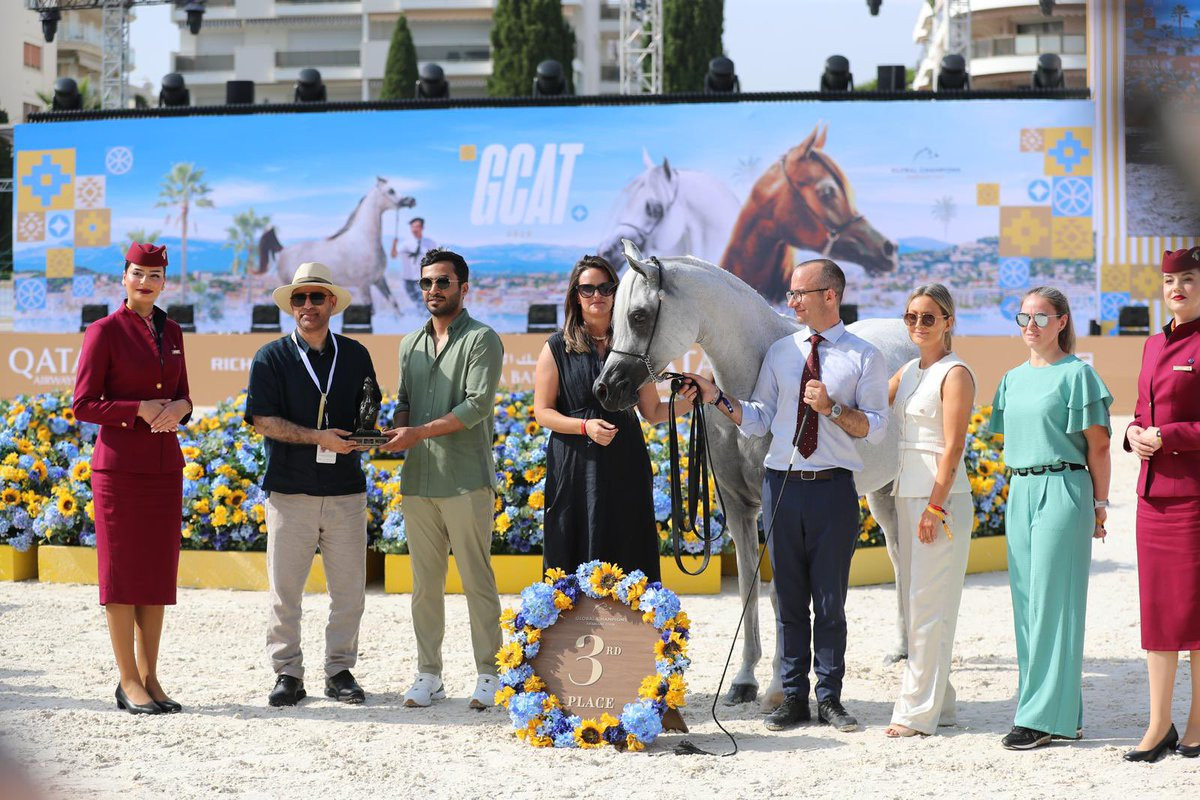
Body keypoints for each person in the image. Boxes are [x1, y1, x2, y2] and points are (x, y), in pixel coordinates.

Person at [685, 258, 889, 733]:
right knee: (790, 600)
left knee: (830, 603)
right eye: (791, 293)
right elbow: (759, 418)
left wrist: (833, 409)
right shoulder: (781, 352)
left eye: (800, 293)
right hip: (781, 486)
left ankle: (830, 697)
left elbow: (877, 428)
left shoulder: (864, 356)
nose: (792, 302)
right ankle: (794, 697)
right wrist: (716, 397)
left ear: (830, 295)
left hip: (834, 488)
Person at [245, 262, 378, 707]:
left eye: (316, 297)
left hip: (345, 491)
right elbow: (263, 421)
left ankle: (339, 671)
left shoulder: (355, 354)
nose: (307, 305)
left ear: (332, 303)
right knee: (285, 593)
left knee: (349, 593)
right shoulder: (270, 357)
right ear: (291, 306)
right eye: (299, 298)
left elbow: (368, 410)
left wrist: (367, 436)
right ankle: (288, 673)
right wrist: (319, 437)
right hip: (290, 492)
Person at [380, 248, 505, 710]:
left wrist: (417, 433)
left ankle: (490, 673)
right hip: (418, 480)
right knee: (424, 586)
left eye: (443, 282)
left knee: (477, 580)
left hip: (466, 479)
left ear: (463, 288)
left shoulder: (482, 340)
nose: (433, 290)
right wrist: (393, 432)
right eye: (426, 282)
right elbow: (405, 401)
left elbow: (476, 406)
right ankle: (429, 674)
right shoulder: (409, 344)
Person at [989, 286, 1112, 750]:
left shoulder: (1078, 375)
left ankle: (1038, 718)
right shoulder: (1011, 379)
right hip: (1020, 490)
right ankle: (1062, 715)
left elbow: (1099, 446)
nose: (1031, 325)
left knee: (1052, 604)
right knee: (1027, 605)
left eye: (1041, 317)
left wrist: (1100, 505)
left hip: (1064, 488)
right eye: (1024, 317)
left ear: (1062, 322)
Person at [73, 242, 193, 716]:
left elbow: (183, 395)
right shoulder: (103, 331)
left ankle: (150, 677)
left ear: (164, 282)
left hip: (164, 467)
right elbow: (84, 404)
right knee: (122, 575)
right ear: (123, 277)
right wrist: (136, 409)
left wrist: (181, 407)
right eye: (138, 273)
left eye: (155, 275)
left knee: (156, 573)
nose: (146, 282)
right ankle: (127, 681)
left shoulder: (174, 331)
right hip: (119, 470)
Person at [532, 255, 697, 581]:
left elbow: (652, 412)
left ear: (616, 293)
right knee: (574, 542)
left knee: (628, 542)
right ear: (576, 295)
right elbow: (543, 412)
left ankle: (630, 615)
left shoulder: (636, 347)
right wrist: (584, 427)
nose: (598, 295)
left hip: (625, 460)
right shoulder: (556, 347)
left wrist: (689, 403)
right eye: (588, 289)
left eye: (606, 287)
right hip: (574, 463)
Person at [882, 284, 976, 738]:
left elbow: (954, 446)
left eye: (928, 317)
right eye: (911, 317)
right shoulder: (907, 371)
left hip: (941, 500)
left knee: (928, 605)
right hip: (906, 493)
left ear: (947, 322)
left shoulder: (955, 373)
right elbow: (870, 409)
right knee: (916, 601)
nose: (918, 324)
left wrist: (935, 507)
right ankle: (944, 704)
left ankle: (916, 714)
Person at [1123, 246, 1200, 762]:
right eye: (1171, 280)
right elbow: (1141, 410)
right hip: (1152, 499)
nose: (1178, 288)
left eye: (1189, 279)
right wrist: (1133, 433)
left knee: (1194, 612)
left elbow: (1175, 424)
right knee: (1158, 613)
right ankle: (1159, 724)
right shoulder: (1153, 344)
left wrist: (1168, 436)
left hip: (1194, 497)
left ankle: (1197, 723)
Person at [400, 217, 438, 305]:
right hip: (407, 279)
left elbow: (436, 259)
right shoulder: (405, 244)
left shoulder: (430, 243)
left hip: (422, 278)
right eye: (412, 227)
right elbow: (394, 255)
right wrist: (394, 244)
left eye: (416, 227)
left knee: (422, 303)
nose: (414, 229)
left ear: (422, 228)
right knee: (415, 304)